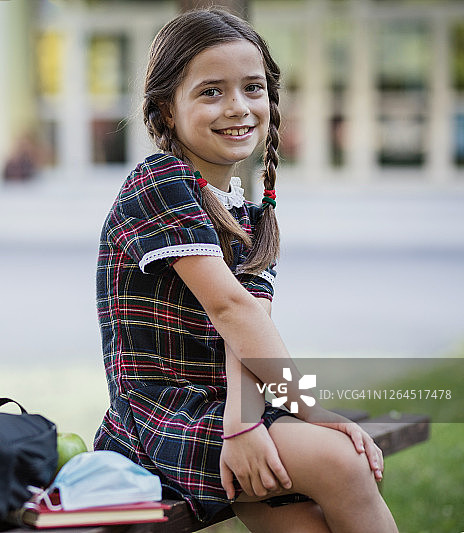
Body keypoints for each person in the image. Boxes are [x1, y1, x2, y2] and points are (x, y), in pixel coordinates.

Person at [93, 9, 397, 532]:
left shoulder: (252, 217)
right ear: (167, 110)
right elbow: (228, 306)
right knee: (342, 461)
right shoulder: (159, 182)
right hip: (160, 420)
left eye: (252, 88)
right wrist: (307, 409)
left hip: (230, 406)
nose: (237, 106)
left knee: (308, 521)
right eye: (211, 91)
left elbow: (247, 329)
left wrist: (244, 420)